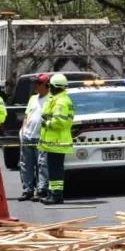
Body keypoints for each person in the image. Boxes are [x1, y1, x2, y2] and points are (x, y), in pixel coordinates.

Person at [38, 74, 74, 205]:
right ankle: (54, 194)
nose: (48, 88)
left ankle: (56, 196)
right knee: (54, 169)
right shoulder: (58, 99)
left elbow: (59, 121)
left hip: (57, 141)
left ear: (54, 87)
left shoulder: (61, 102)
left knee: (55, 170)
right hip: (55, 142)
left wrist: (47, 123)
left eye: (49, 86)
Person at [18, 74, 50, 201]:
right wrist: (23, 131)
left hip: (40, 137)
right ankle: (28, 190)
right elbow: (27, 116)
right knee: (26, 164)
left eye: (38, 83)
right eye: (35, 83)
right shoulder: (32, 98)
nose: (35, 86)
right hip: (27, 137)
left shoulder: (51, 99)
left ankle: (41, 189)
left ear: (46, 85)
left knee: (42, 164)